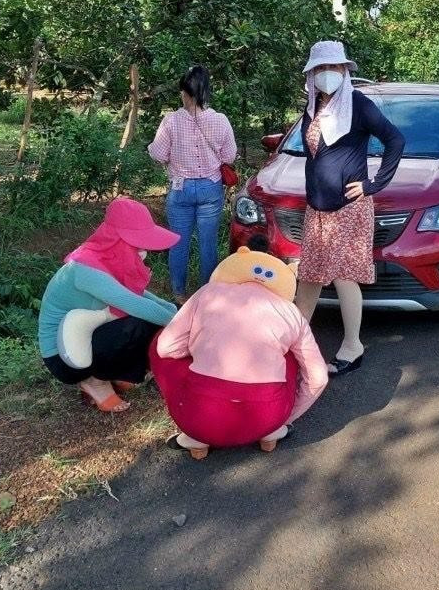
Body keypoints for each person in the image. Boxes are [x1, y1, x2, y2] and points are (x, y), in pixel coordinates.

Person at [151, 245, 329, 459]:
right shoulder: (291, 312)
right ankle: (272, 434)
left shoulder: (209, 292)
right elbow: (318, 378)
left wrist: (198, 349)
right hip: (268, 417)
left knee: (158, 343)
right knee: (289, 356)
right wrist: (287, 416)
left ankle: (195, 439)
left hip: (199, 416)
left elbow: (166, 347)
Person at [292, 41, 404, 376]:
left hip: (348, 208)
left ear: (344, 71)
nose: (327, 75)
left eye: (333, 68)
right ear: (311, 75)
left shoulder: (358, 104)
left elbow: (395, 139)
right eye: (320, 69)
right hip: (318, 208)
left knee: (343, 275)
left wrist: (373, 184)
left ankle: (353, 346)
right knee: (309, 274)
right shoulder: (313, 109)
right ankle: (293, 342)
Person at [38, 197, 180, 413]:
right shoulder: (86, 268)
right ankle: (94, 381)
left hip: (90, 337)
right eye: (138, 244)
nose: (143, 252)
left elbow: (141, 295)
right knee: (137, 323)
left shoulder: (108, 259)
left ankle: (116, 372)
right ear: (118, 240)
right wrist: (184, 323)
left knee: (151, 318)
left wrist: (176, 312)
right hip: (64, 358)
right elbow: (135, 304)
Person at [148, 65, 237, 302]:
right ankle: (207, 294)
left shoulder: (171, 121)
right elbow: (229, 156)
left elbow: (158, 153)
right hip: (210, 188)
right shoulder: (220, 120)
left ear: (185, 92)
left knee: (178, 242)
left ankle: (179, 293)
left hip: (181, 188)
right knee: (208, 243)